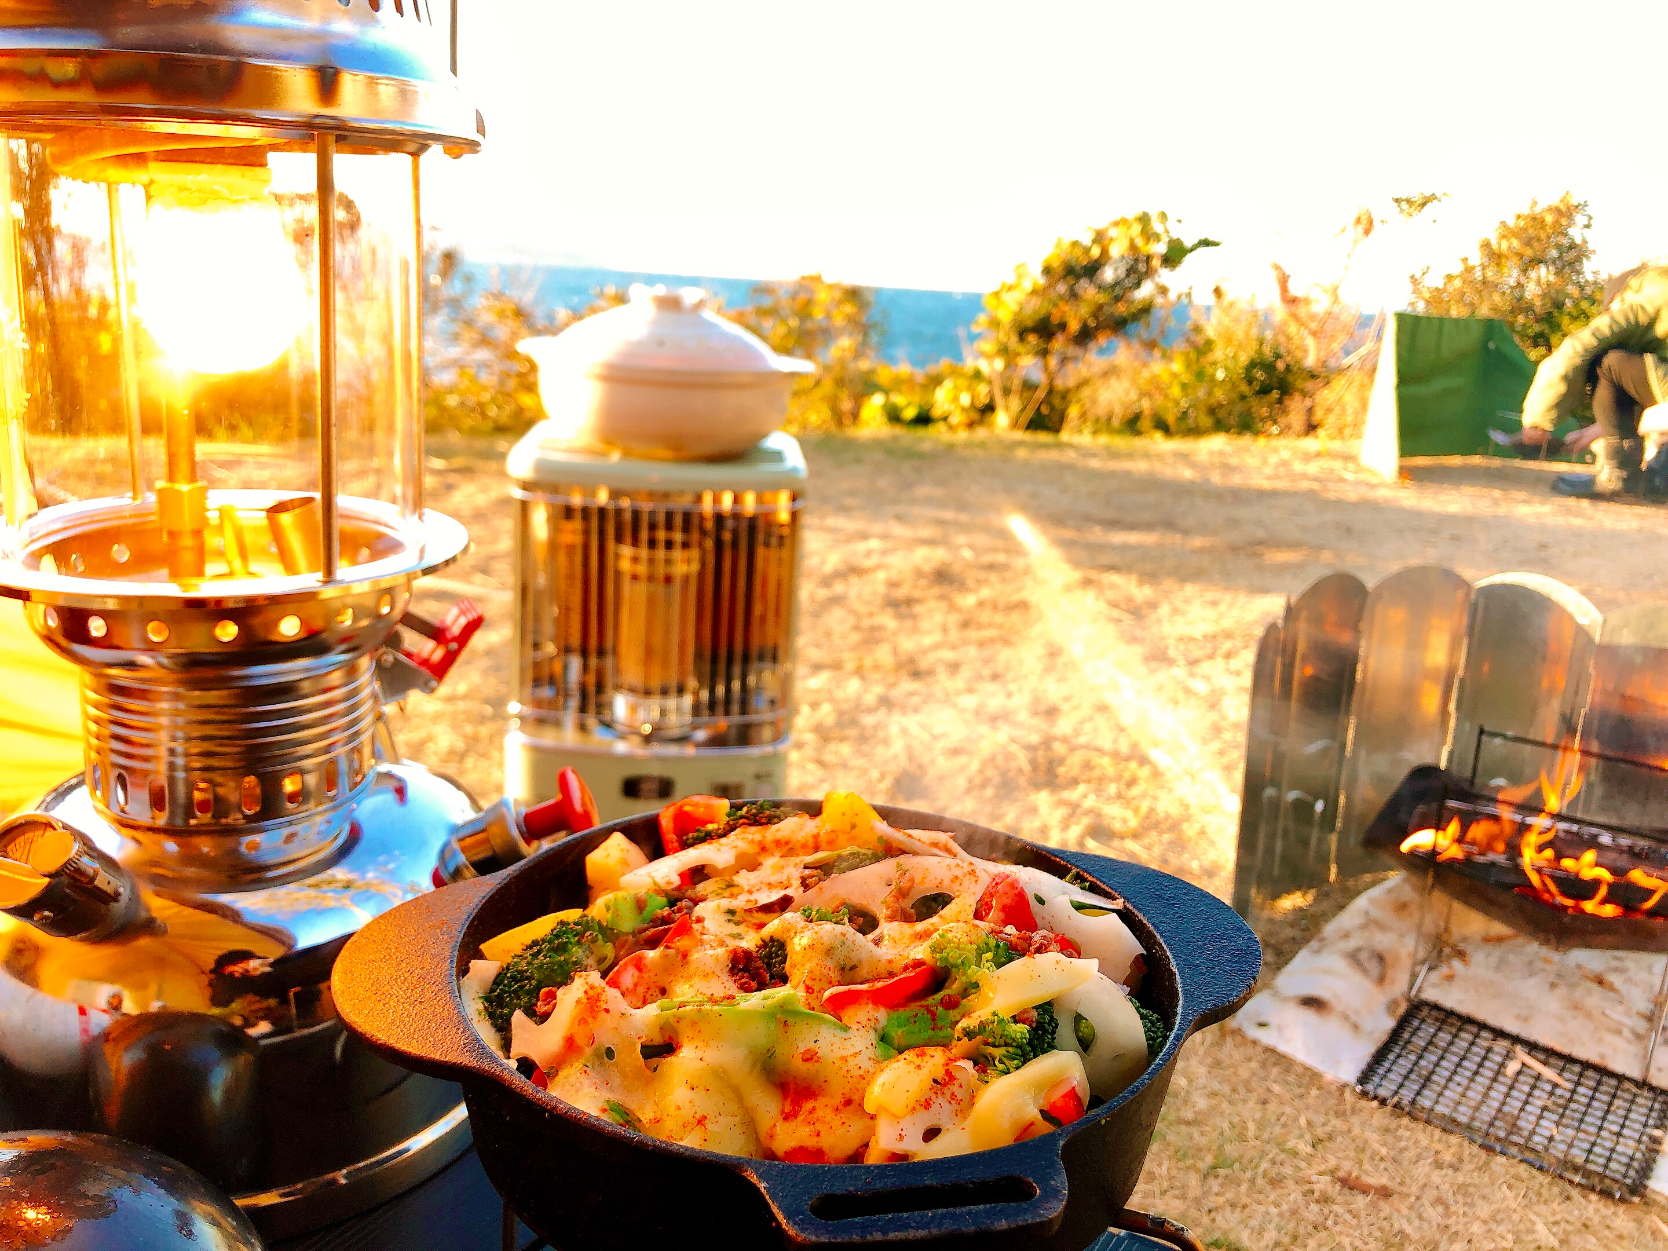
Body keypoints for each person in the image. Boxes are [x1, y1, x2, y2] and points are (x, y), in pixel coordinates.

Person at [1518, 265, 1668, 497]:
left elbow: (1577, 347)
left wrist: (1537, 420)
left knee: (1609, 360)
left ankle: (1619, 476)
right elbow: (1652, 386)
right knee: (1635, 364)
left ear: (1620, 298)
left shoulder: (1645, 300)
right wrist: (1599, 429)